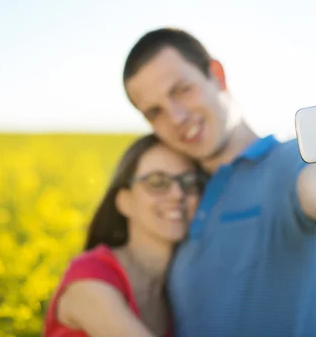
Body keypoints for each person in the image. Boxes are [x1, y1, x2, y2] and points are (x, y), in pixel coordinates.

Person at [122, 28, 316, 337]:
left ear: (216, 74)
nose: (175, 117)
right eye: (155, 111)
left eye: (182, 90)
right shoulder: (179, 200)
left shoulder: (285, 163)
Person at [43, 134, 205, 337]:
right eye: (157, 182)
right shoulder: (91, 277)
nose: (177, 194)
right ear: (124, 201)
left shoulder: (178, 288)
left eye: (189, 182)